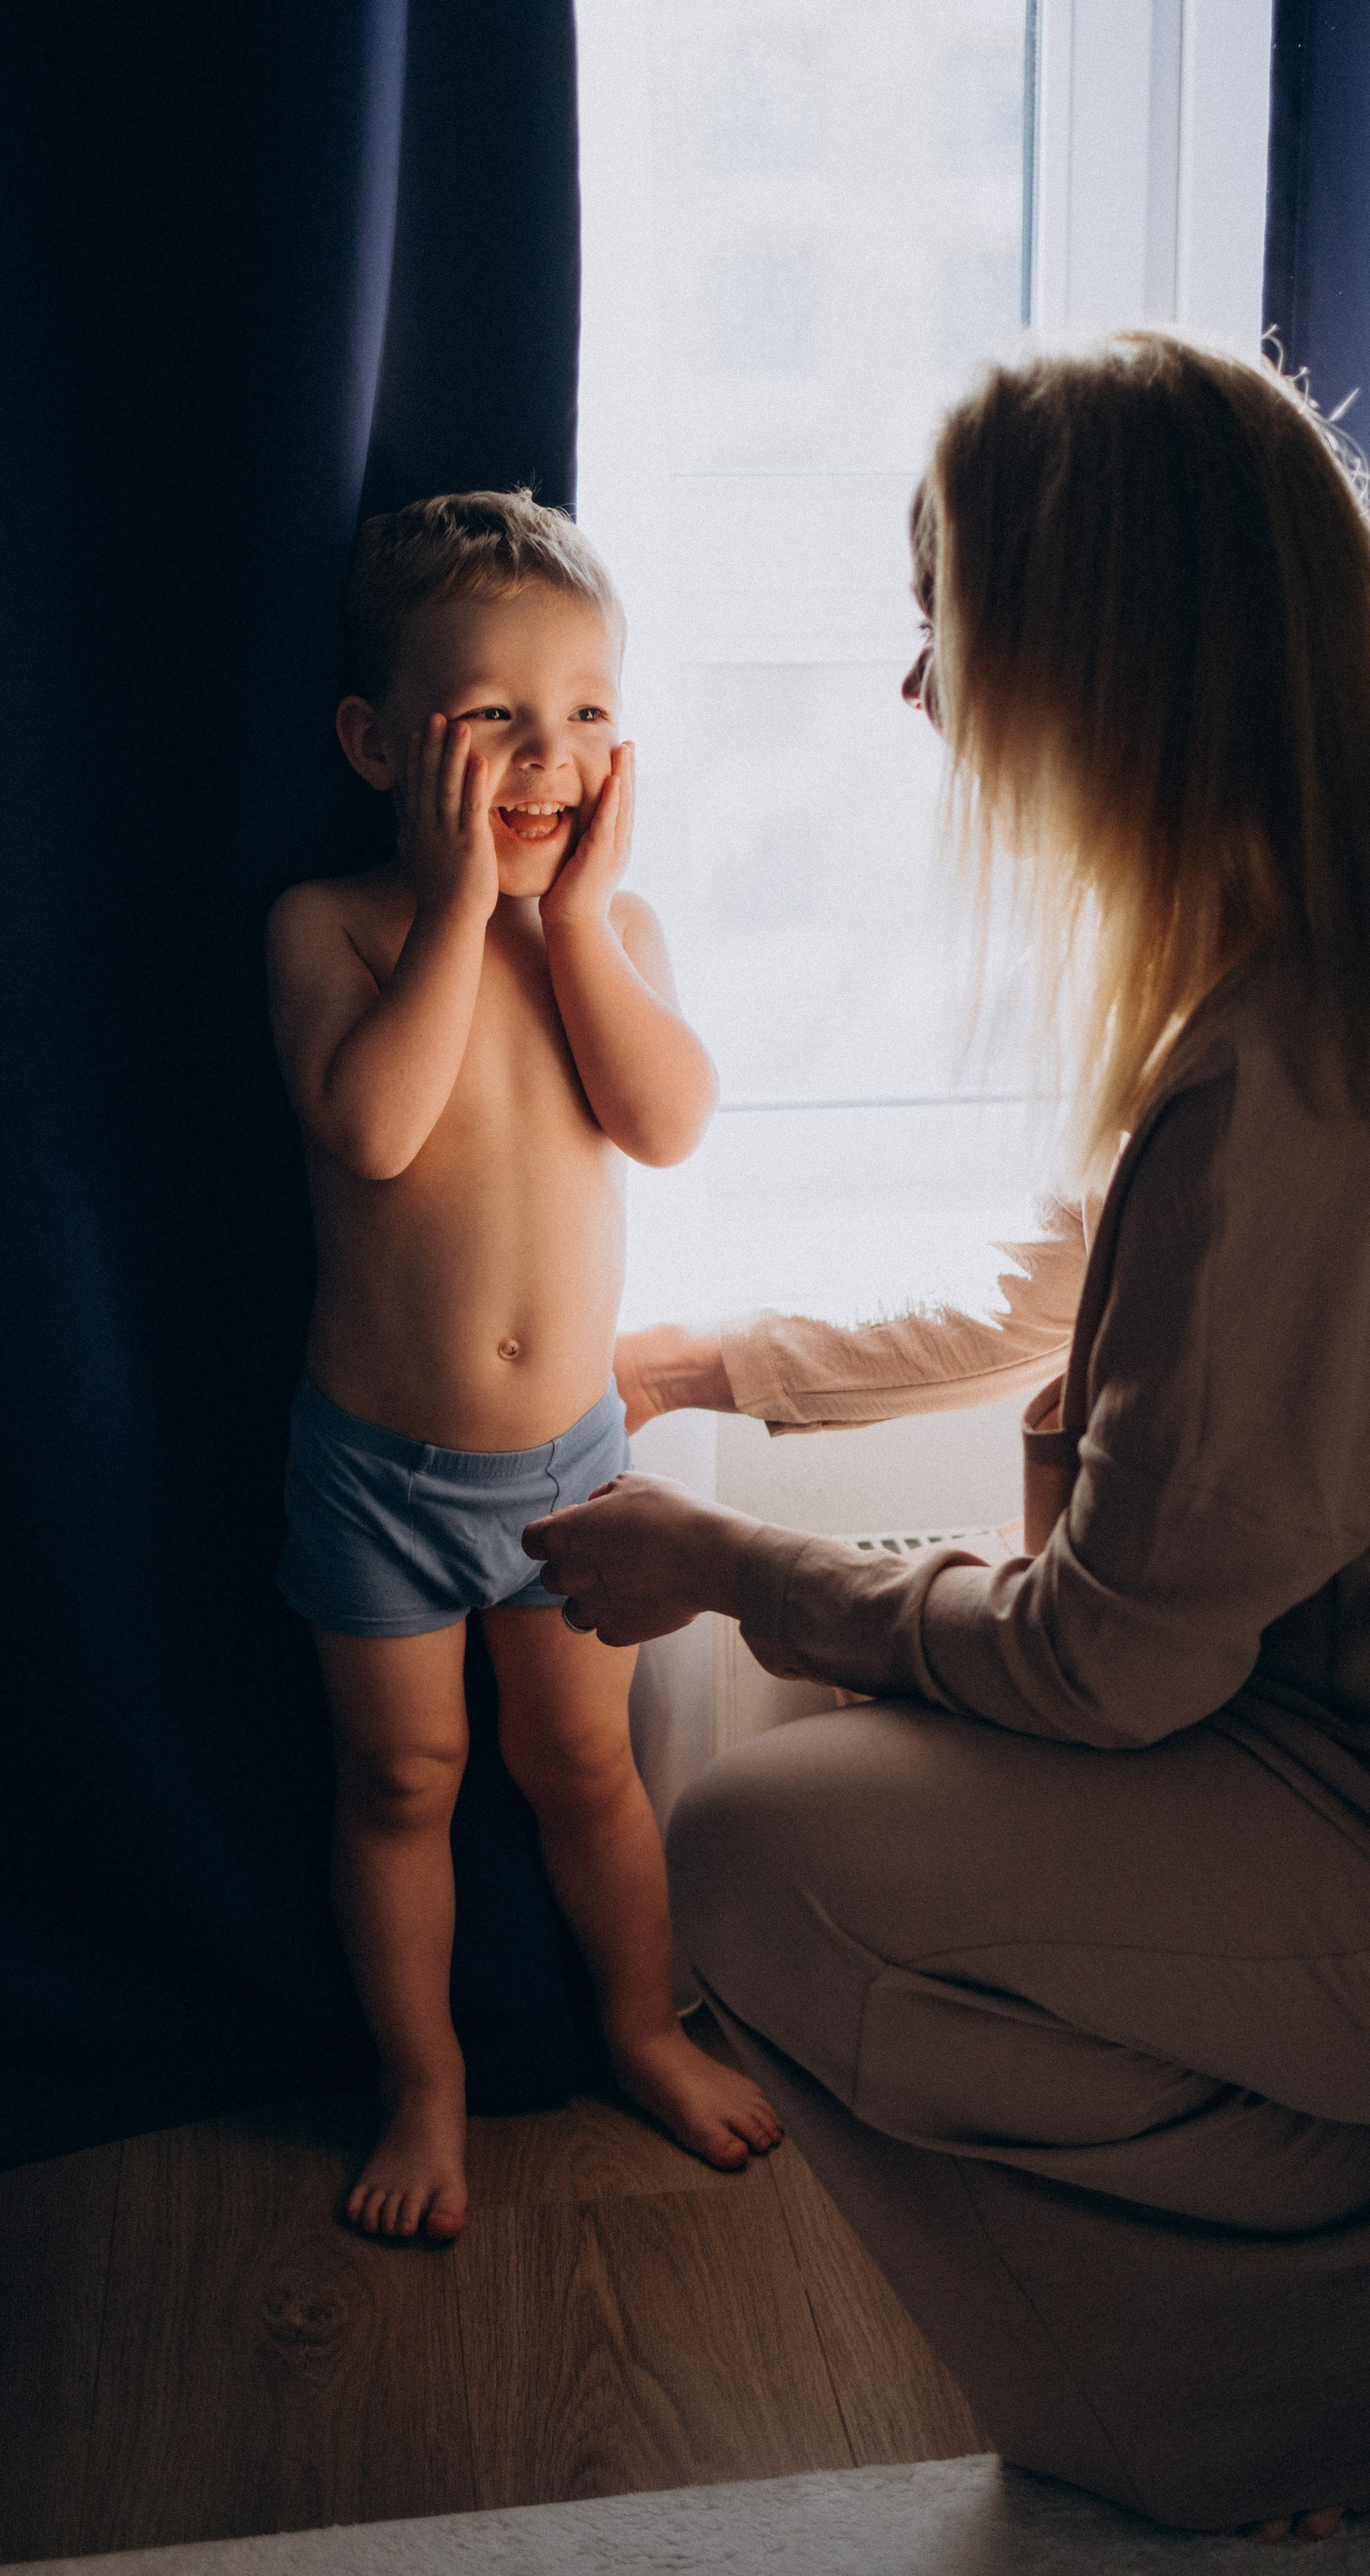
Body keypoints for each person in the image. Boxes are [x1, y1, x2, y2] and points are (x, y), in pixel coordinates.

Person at [521, 338, 1370, 2540]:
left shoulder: (1319, 1080)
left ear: (1102, 661)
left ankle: (1367, 2303)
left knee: (768, 1860)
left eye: (941, 626)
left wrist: (724, 1565)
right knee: (868, 1686)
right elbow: (1039, 1294)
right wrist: (704, 1364)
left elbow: (1107, 1666)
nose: (910, 695)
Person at [266, 490, 781, 2245]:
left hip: (564, 1466)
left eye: (583, 714)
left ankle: (639, 2024)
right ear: (377, 742)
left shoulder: (611, 937)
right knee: (402, 1782)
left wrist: (567, 921)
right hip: (378, 1477)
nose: (547, 756)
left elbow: (668, 1120)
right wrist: (459, 900)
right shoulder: (334, 929)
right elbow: (375, 1129)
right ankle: (428, 2083)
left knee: (583, 1768)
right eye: (491, 717)